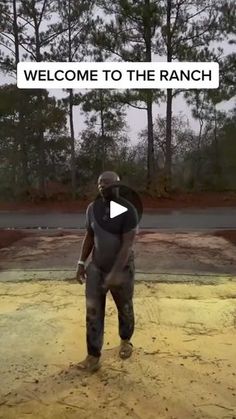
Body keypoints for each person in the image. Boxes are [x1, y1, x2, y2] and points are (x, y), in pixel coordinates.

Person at [76, 171, 138, 372]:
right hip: (97, 269)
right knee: (93, 312)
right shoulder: (92, 209)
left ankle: (125, 340)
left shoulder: (127, 210)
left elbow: (127, 245)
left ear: (117, 186)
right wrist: (80, 262)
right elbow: (89, 236)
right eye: (100, 183)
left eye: (108, 183)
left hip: (122, 269)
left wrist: (116, 273)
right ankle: (93, 356)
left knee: (125, 307)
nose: (103, 186)